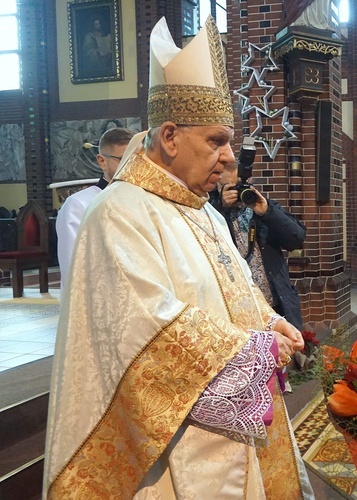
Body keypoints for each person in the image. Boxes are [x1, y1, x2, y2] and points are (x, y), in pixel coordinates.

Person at [44, 17, 313, 499]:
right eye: (217, 141)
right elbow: (143, 330)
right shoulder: (118, 213)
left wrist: (268, 322)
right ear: (169, 136)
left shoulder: (203, 211)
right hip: (171, 456)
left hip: (233, 435)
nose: (231, 158)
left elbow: (233, 290)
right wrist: (255, 352)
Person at [210, 163, 306, 331]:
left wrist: (267, 212)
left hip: (277, 306)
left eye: (241, 187)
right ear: (217, 186)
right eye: (231, 188)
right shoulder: (210, 214)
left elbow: (296, 239)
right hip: (239, 314)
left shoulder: (263, 210)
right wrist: (221, 207)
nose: (238, 193)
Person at [55, 127, 134, 288]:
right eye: (123, 159)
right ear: (102, 161)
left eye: (136, 159)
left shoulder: (142, 201)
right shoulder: (78, 205)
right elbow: (73, 265)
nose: (130, 166)